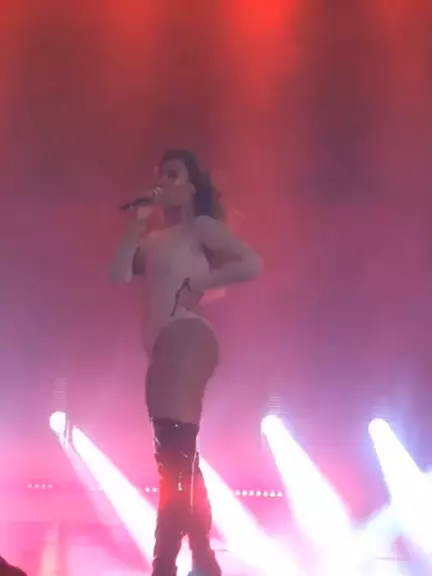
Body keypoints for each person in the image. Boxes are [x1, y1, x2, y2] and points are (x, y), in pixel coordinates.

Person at [111, 149, 262, 576]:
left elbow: (251, 262)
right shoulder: (153, 240)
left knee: (173, 460)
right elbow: (118, 274)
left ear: (192, 187)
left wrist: (201, 282)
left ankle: (168, 564)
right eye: (161, 175)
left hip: (187, 336)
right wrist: (137, 224)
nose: (164, 182)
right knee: (181, 457)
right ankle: (200, 557)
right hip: (165, 347)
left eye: (173, 175)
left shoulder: (201, 228)